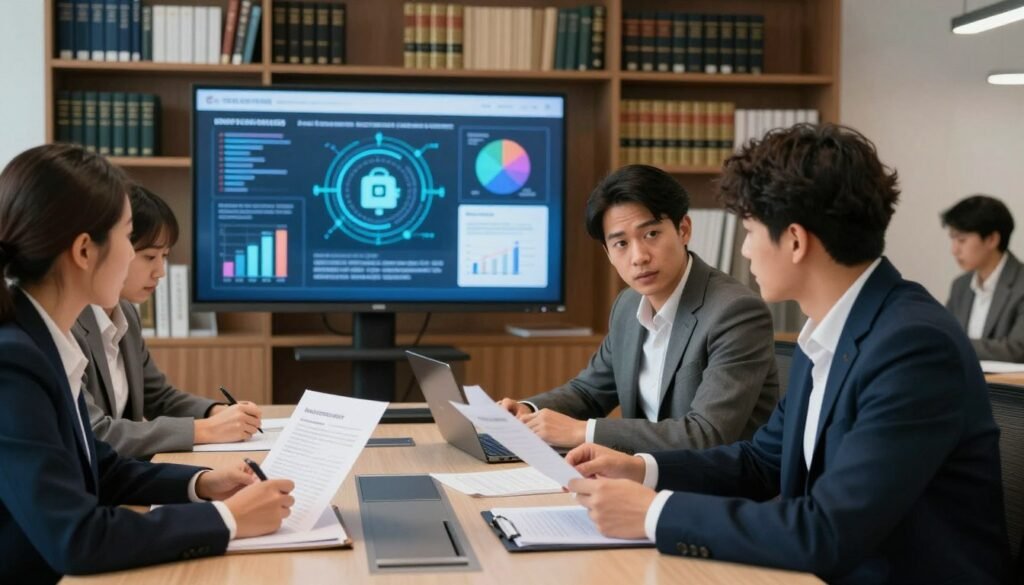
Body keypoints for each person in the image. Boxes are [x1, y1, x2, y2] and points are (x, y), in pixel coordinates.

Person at [565, 124, 1009, 583]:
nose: (744, 248)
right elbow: (762, 462)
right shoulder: (831, 330)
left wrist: (655, 513)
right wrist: (640, 469)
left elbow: (827, 531)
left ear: (795, 240)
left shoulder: (912, 346)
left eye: (750, 229)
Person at [0, 144, 294, 585]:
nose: (153, 266)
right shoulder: (14, 363)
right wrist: (227, 520)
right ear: (84, 251)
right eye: (127, 235)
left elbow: (104, 470)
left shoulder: (42, 342)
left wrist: (204, 483)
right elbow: (76, 537)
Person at [499, 165, 779, 453]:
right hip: (639, 478)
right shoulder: (628, 306)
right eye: (621, 243)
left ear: (683, 230)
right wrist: (527, 410)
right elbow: (589, 393)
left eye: (651, 234)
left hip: (713, 490)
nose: (639, 257)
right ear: (608, 253)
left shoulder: (735, 312)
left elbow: (706, 434)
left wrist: (582, 431)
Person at [73, 185, 262, 458]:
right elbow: (95, 433)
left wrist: (215, 412)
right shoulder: (70, 325)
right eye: (149, 256)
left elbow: (157, 397)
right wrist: (205, 430)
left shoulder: (125, 313)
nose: (160, 272)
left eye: (165, 256)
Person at [941, 194, 1024, 362]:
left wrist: (956, 343)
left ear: (992, 239)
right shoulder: (960, 286)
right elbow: (944, 335)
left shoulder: (1021, 283)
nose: (954, 250)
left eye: (962, 240)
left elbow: (1018, 350)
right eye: (953, 239)